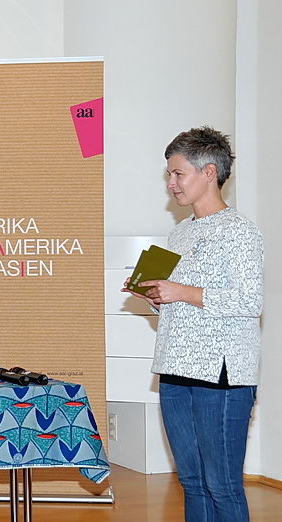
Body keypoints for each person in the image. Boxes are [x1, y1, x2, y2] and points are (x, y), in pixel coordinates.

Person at [122, 127, 263, 521]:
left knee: (222, 485)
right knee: (192, 482)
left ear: (209, 172)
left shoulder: (240, 231)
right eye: (169, 174)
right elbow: (181, 305)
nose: (171, 183)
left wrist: (181, 291)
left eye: (178, 173)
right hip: (174, 369)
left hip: (220, 376)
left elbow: (249, 301)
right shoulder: (180, 232)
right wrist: (157, 298)